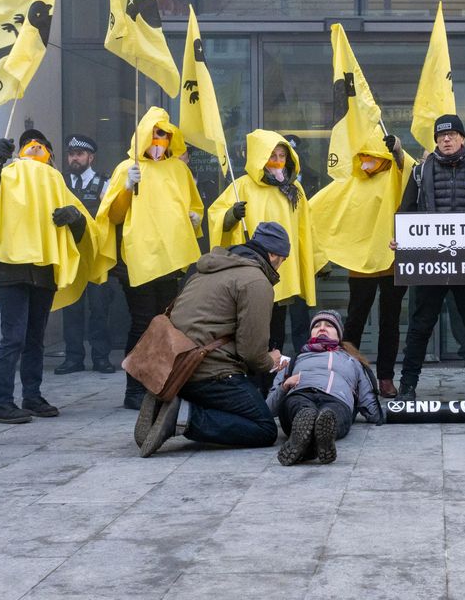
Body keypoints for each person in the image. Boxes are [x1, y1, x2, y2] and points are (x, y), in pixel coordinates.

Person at [0, 129, 97, 424]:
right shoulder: (7, 174)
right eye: (29, 145)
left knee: (34, 338)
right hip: (11, 270)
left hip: (42, 271)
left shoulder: (55, 181)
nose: (36, 149)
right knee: (13, 337)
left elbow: (84, 229)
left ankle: (32, 396)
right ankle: (0, 403)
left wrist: (74, 218)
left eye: (42, 146)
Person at [137, 222, 290, 457]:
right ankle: (183, 417)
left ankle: (173, 402)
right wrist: (271, 361)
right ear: (272, 255)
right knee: (264, 428)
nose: (281, 267)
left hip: (175, 368)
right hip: (209, 372)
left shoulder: (206, 270)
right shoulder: (256, 281)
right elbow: (251, 352)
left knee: (244, 402)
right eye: (282, 260)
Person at [95, 107, 204, 410]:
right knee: (143, 323)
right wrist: (127, 188)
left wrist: (195, 219)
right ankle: (134, 388)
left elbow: (194, 206)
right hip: (138, 261)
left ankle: (160, 383)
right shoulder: (126, 169)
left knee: (165, 324)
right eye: (157, 133)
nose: (162, 140)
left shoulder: (179, 171)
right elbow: (113, 215)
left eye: (166, 135)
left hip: (169, 261)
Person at [391, 114, 465, 401]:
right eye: (441, 136)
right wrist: (401, 240)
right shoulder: (420, 171)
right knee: (420, 326)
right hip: (429, 262)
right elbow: (406, 211)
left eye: (453, 134)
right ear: (436, 141)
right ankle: (407, 386)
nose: (446, 139)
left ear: (463, 138)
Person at [309, 128, 413, 398]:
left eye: (371, 154)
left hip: (392, 260)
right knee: (355, 320)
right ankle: (348, 374)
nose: (365, 160)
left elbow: (409, 171)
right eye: (362, 155)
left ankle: (386, 378)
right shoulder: (352, 180)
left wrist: (399, 150)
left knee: (390, 322)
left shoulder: (394, 176)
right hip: (361, 263)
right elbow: (320, 207)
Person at [207, 130, 320, 372]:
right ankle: (255, 374)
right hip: (255, 272)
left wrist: (317, 260)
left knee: (277, 323)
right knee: (256, 324)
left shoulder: (294, 189)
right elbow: (216, 216)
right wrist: (231, 215)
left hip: (285, 270)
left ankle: (273, 376)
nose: (278, 161)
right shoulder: (243, 186)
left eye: (282, 156)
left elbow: (306, 228)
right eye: (272, 156)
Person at [266, 310, 383, 465]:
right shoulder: (294, 360)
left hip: (337, 399)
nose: (322, 328)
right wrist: (284, 387)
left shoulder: (352, 361)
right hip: (300, 395)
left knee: (329, 414)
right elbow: (268, 410)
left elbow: (370, 403)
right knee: (302, 409)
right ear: (311, 333)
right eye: (317, 325)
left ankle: (309, 440)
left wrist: (395, 413)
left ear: (339, 335)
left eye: (329, 325)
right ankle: (315, 436)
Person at [56, 133, 117, 375]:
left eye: (79, 154)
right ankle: (73, 358)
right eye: (71, 154)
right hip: (70, 255)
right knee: (71, 307)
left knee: (100, 308)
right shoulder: (60, 183)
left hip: (95, 256)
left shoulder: (105, 183)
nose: (74, 158)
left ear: (90, 157)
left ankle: (101, 357)